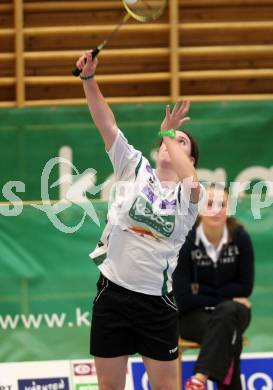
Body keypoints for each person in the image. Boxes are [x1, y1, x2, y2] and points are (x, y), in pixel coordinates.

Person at [75, 51, 204, 390]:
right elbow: (107, 124)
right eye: (167, 142)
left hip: (155, 302)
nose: (171, 145)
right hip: (112, 293)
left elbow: (191, 180)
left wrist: (168, 133)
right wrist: (89, 80)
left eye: (181, 144)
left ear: (188, 158)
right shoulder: (134, 168)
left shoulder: (189, 199)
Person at [173, 184, 255, 390]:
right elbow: (183, 298)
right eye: (209, 203)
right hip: (193, 316)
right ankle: (202, 379)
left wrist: (201, 291)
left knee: (227, 313)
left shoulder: (241, 237)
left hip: (235, 311)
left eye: (222, 204)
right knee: (229, 331)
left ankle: (200, 377)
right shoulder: (185, 240)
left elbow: (245, 288)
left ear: (229, 209)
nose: (216, 209)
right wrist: (226, 297)